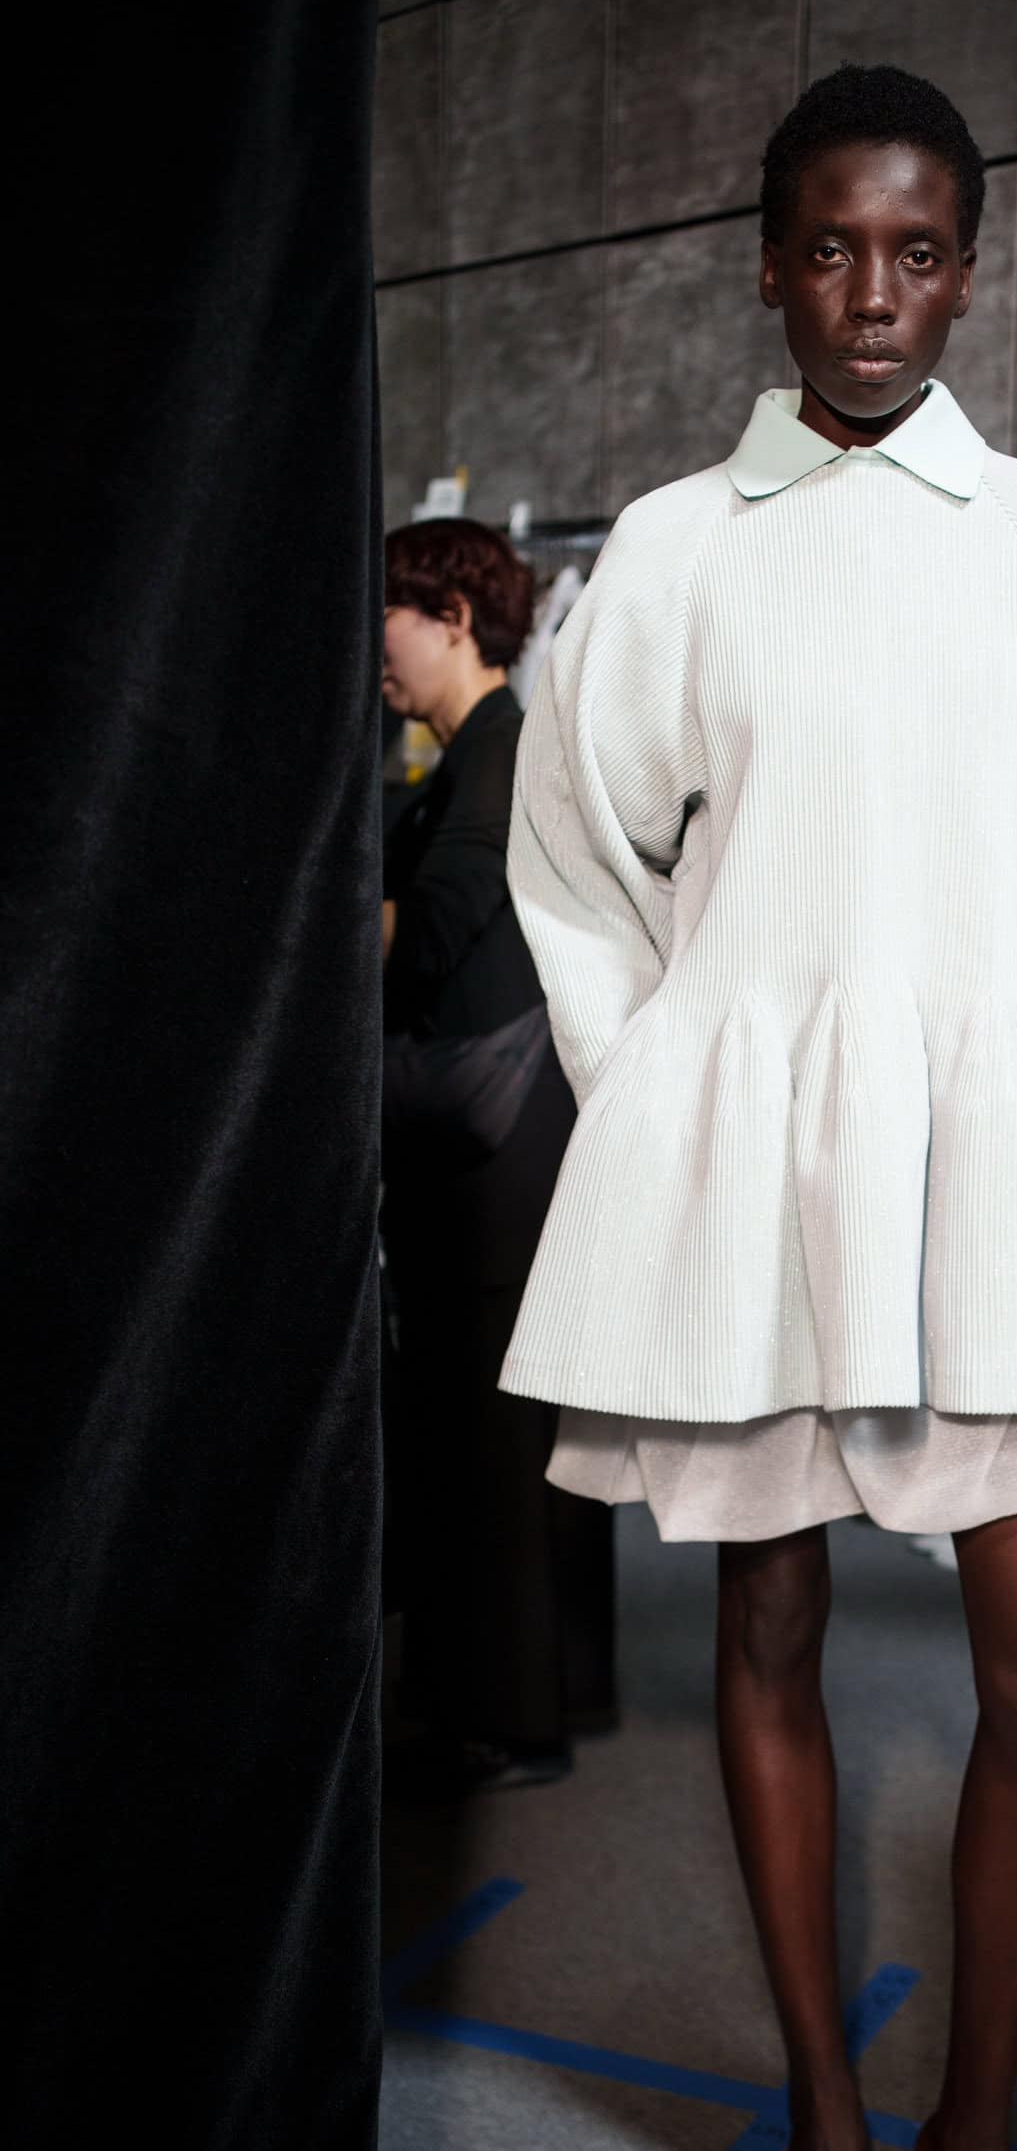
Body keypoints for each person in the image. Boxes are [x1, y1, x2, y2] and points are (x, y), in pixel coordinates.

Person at [500, 63, 1017, 2151]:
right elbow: (575, 862)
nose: (873, 296)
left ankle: (975, 2147)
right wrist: (667, 1092)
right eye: (831, 248)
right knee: (768, 1624)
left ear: (970, 268)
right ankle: (827, 2117)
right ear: (768, 264)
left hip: (996, 1147)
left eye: (917, 251)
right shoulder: (671, 550)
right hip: (760, 1155)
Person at [382, 517, 616, 1794]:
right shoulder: (487, 750)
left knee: (491, 1441)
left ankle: (509, 1716)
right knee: (511, 1435)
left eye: (390, 614)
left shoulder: (500, 748)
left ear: (455, 617)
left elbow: (439, 928)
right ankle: (537, 1694)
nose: (376, 646)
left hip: (492, 1154)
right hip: (509, 1145)